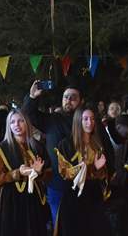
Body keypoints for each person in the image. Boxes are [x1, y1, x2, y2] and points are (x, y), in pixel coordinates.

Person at [24, 81, 113, 224]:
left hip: (88, 186)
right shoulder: (52, 120)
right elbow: (28, 115)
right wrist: (32, 97)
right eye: (65, 97)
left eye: (73, 97)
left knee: (87, 226)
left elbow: (107, 150)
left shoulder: (91, 122)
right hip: (58, 185)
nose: (68, 100)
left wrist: (107, 177)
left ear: (81, 101)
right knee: (61, 227)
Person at [52, 108, 111, 236]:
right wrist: (92, 168)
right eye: (85, 119)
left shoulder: (98, 144)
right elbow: (65, 172)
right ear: (78, 121)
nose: (89, 122)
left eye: (92, 119)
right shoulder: (66, 144)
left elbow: (103, 174)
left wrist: (99, 170)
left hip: (93, 198)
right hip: (73, 199)